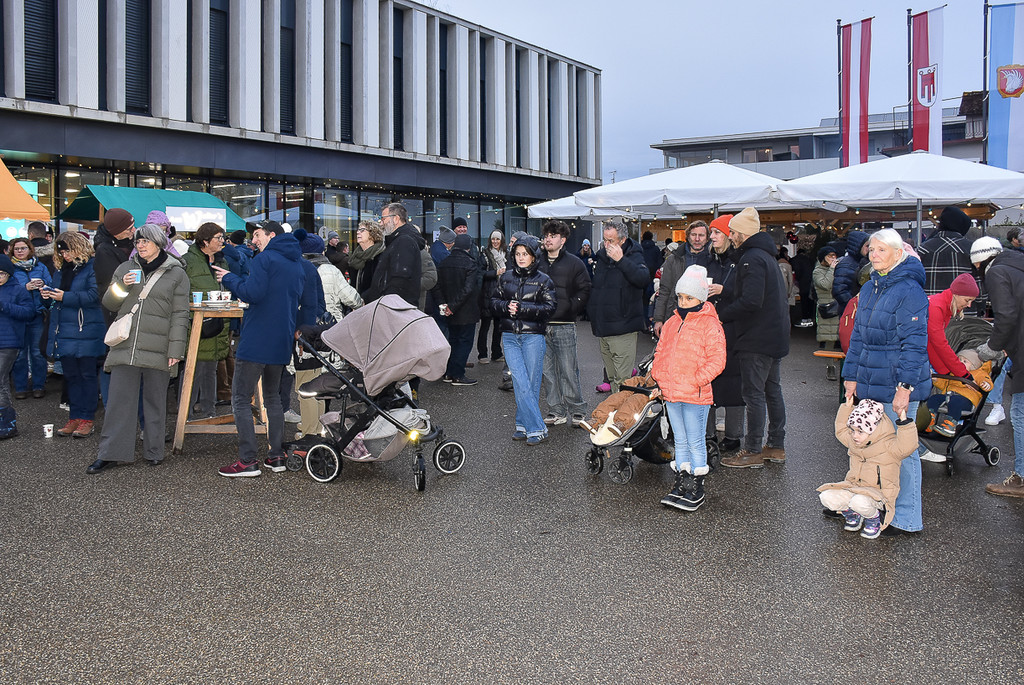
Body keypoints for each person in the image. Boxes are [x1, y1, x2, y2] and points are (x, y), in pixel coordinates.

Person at [840, 229, 931, 533]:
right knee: (867, 447)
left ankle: (906, 518)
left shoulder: (910, 290)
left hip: (896, 382)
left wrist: (905, 387)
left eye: (881, 250)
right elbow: (858, 338)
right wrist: (850, 377)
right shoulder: (869, 289)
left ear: (898, 253)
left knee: (902, 453)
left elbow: (915, 343)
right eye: (871, 249)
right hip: (868, 379)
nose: (873, 254)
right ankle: (874, 507)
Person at [87, 224, 190, 473]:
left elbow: (180, 314)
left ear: (158, 242)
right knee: (119, 402)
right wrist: (122, 285)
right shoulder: (125, 268)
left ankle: (154, 451)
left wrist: (176, 350)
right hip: (127, 343)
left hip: (160, 346)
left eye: (145, 241)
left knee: (155, 400)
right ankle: (111, 453)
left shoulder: (177, 274)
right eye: (137, 241)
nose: (140, 245)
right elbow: (109, 303)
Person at [213, 220, 304, 477]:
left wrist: (230, 279)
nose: (254, 240)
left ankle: (247, 460)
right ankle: (276, 456)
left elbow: (252, 293)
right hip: (281, 339)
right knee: (273, 398)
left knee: (241, 398)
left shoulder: (265, 260)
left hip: (256, 339)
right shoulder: (296, 263)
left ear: (271, 235)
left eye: (257, 234)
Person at [717, 208, 790, 470]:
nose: (731, 237)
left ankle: (752, 449)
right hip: (773, 335)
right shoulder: (765, 256)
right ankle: (776, 445)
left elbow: (750, 300)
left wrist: (721, 314)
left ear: (743, 234)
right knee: (772, 391)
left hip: (757, 338)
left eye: (733, 232)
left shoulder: (751, 259)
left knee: (753, 394)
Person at [653, 265, 727, 512]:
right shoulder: (673, 322)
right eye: (681, 297)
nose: (684, 302)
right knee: (680, 440)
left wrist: (698, 379)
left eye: (690, 297)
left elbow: (717, 359)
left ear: (702, 297)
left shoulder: (710, 324)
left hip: (695, 394)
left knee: (695, 440)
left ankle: (697, 486)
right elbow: (661, 351)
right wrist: (659, 375)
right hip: (673, 392)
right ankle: (681, 482)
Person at [818, 398, 919, 539]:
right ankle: (853, 514)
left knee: (859, 502)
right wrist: (847, 407)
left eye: (860, 431)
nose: (854, 436)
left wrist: (903, 420)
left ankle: (874, 519)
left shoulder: (889, 446)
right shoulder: (855, 441)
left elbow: (908, 445)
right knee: (826, 497)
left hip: (879, 495)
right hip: (855, 488)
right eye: (852, 430)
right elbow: (841, 431)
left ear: (874, 431)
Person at [970, 237, 1024, 498]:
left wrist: (993, 346)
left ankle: (1021, 479)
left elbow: (1007, 315)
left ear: (980, 262)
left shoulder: (997, 271)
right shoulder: (1018, 263)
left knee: (1020, 413)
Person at [490, 235, 557, 446]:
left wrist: (523, 309)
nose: (520, 258)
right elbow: (493, 301)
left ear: (533, 256)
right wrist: (505, 307)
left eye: (525, 254)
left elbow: (550, 309)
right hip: (509, 337)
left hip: (533, 337)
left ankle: (522, 424)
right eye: (517, 254)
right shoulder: (505, 277)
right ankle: (537, 427)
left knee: (531, 382)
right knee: (520, 381)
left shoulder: (544, 280)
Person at [42, 232, 106, 438]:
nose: (64, 254)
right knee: (71, 377)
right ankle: (75, 417)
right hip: (65, 330)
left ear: (79, 248)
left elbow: (95, 296)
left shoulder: (92, 267)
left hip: (87, 329)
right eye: (61, 251)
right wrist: (48, 295)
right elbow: (58, 299)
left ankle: (87, 419)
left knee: (87, 376)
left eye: (67, 250)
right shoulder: (61, 271)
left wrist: (64, 296)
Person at [537, 220, 591, 427]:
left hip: (564, 324)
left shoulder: (575, 263)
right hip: (540, 325)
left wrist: (571, 307)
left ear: (563, 240)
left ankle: (577, 410)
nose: (548, 239)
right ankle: (556, 410)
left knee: (569, 370)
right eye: (546, 235)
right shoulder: (537, 262)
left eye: (553, 235)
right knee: (547, 371)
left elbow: (585, 289)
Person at [588, 219, 651, 392]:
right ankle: (615, 414)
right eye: (604, 240)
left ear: (622, 240)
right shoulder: (601, 257)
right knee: (613, 377)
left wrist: (621, 260)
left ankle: (621, 417)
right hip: (604, 326)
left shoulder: (634, 254)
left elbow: (643, 279)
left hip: (624, 326)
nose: (606, 244)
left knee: (622, 381)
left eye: (611, 240)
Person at [181, 222, 232, 419]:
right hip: (197, 323)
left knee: (211, 367)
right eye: (218, 238)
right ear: (205, 241)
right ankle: (185, 413)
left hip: (219, 321)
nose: (222, 241)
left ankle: (209, 410)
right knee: (193, 370)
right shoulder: (188, 262)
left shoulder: (222, 261)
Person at [705, 213, 744, 453]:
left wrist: (724, 290)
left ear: (729, 235)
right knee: (707, 381)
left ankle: (733, 436)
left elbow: (748, 295)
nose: (712, 237)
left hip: (733, 330)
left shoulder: (741, 261)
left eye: (717, 232)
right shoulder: (709, 260)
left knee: (734, 385)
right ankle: (708, 434)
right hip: (709, 329)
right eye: (712, 232)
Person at [433, 234, 482, 385]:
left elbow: (436, 286)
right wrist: (452, 307)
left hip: (448, 310)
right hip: (466, 311)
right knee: (464, 343)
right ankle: (458, 375)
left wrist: (445, 306)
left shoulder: (444, 262)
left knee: (453, 341)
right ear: (468, 247)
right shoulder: (470, 263)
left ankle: (449, 373)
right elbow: (468, 290)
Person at [7, 237, 52, 399]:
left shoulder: (40, 267)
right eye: (17, 248)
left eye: (23, 248)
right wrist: (25, 288)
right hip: (17, 316)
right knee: (19, 353)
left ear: (30, 249)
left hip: (37, 314)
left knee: (37, 352)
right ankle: (20, 387)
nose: (20, 251)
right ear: (12, 251)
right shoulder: (9, 268)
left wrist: (44, 285)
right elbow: (7, 291)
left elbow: (51, 284)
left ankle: (39, 385)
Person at [918, 206, 984, 315]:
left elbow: (917, 281)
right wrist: (981, 305)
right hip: (964, 312)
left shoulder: (924, 249)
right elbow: (979, 282)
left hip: (930, 310)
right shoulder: (971, 249)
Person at [0, 255, 35, 439]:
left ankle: (7, 421)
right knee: (2, 381)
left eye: (1, 274)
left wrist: (4, 306)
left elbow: (29, 312)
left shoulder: (18, 291)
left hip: (9, 342)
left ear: (8, 274)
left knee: (0, 379)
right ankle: (5, 420)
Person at [364, 203, 423, 307]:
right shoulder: (396, 242)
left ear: (396, 219)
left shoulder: (404, 241)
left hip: (395, 310)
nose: (381, 224)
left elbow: (399, 281)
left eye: (383, 219)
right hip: (391, 307)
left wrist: (384, 304)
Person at [477, 230, 507, 364]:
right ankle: (482, 354)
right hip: (487, 294)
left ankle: (496, 352)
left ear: (502, 241)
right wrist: (495, 272)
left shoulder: (506, 255)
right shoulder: (484, 254)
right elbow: (480, 273)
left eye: (498, 239)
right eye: (493, 239)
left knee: (499, 326)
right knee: (485, 325)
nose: (495, 242)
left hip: (502, 294)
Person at [813, 246, 841, 380]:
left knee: (843, 336)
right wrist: (831, 269)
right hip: (828, 309)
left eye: (834, 256)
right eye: (830, 256)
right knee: (829, 340)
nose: (833, 259)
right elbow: (825, 284)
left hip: (839, 305)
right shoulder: (817, 271)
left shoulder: (836, 268)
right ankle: (830, 367)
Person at [831, 229, 869, 313]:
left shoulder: (863, 262)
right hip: (851, 313)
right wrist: (854, 306)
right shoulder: (846, 264)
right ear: (858, 246)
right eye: (867, 246)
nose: (869, 249)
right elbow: (839, 291)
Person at [350, 220, 385, 298]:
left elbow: (378, 287)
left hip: (373, 304)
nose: (358, 232)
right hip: (356, 304)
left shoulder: (380, 257)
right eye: (358, 230)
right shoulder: (356, 256)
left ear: (372, 234)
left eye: (362, 230)